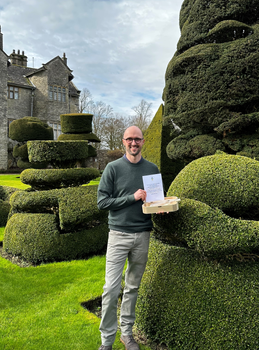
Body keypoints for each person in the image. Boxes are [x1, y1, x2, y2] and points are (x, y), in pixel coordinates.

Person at [97, 126, 160, 350]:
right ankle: (106, 341)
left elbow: (153, 202)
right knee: (111, 289)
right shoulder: (112, 168)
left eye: (138, 139)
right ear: (123, 142)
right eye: (130, 139)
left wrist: (159, 207)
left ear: (143, 142)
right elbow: (102, 202)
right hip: (118, 235)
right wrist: (131, 198)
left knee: (132, 288)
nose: (134, 143)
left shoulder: (152, 169)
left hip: (142, 235)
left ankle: (127, 335)